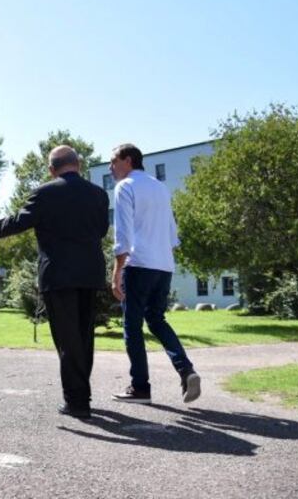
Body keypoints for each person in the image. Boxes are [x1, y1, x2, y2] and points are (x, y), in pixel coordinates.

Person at [0, 145, 109, 419]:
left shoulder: (45, 193)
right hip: (90, 274)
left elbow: (19, 221)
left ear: (51, 169)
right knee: (83, 337)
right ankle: (82, 394)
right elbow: (102, 229)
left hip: (59, 275)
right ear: (78, 165)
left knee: (67, 340)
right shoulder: (99, 194)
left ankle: (78, 402)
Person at [108, 143, 200, 404]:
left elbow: (122, 233)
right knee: (157, 320)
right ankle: (186, 370)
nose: (111, 168)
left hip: (138, 265)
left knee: (132, 326)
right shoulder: (160, 187)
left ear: (127, 160)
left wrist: (117, 271)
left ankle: (140, 388)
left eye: (113, 161)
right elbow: (172, 233)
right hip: (164, 265)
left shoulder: (125, 186)